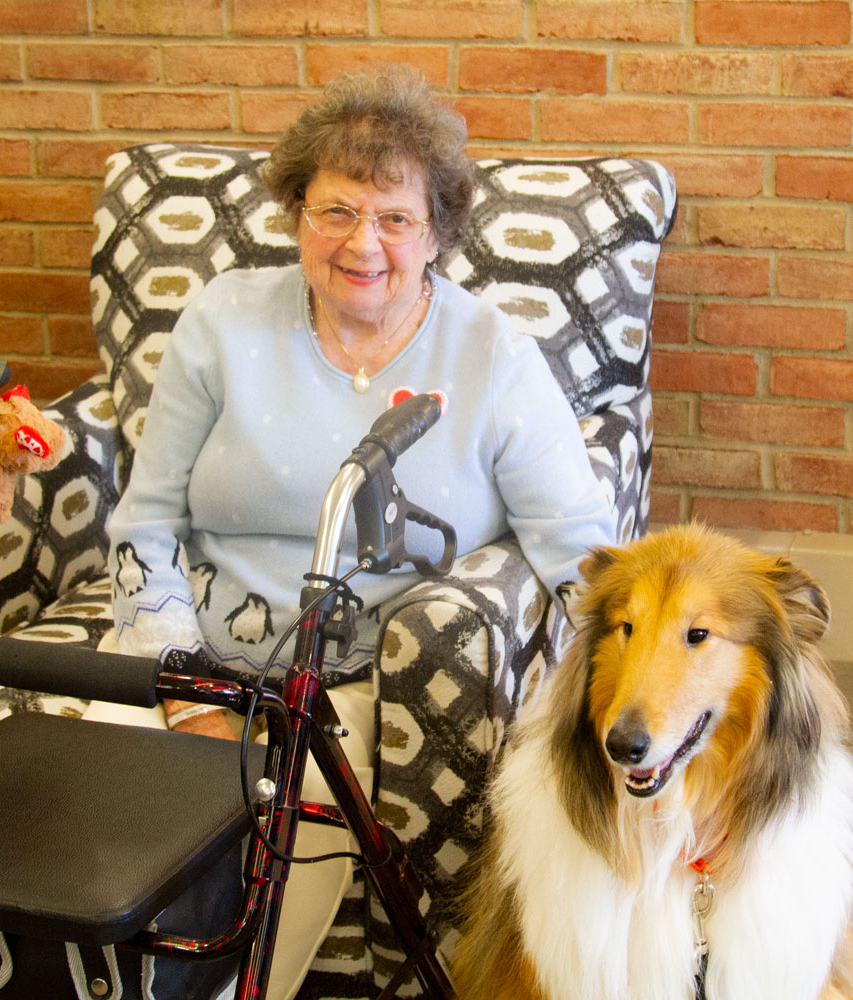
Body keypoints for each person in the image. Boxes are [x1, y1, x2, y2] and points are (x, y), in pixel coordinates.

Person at [100, 64, 615, 997]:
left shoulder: (492, 356)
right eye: (334, 211)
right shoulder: (222, 322)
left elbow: (578, 549)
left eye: (394, 217)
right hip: (184, 661)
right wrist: (185, 696)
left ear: (438, 233)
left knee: (265, 859)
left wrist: (635, 678)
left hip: (354, 683)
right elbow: (146, 520)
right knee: (91, 843)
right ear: (296, 211)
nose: (361, 243)